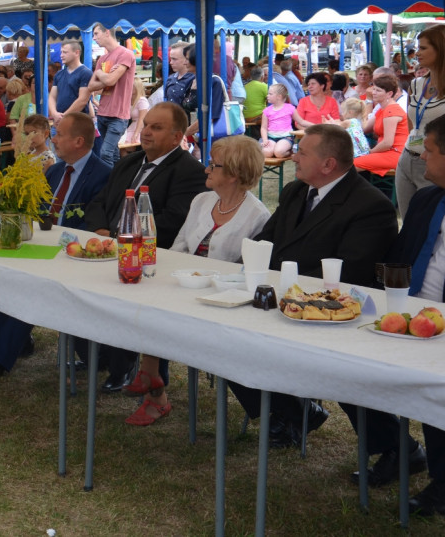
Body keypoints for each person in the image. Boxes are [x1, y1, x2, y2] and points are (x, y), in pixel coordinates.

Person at [229, 124, 399, 448]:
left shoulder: (370, 206)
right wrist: (245, 274)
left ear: (328, 164)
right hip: (280, 300)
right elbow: (268, 242)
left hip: (331, 313)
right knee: (221, 335)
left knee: (344, 372)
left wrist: (287, 294)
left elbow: (350, 274)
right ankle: (291, 411)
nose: (293, 156)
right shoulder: (296, 191)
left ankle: (394, 448)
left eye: (302, 152)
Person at [124, 136, 269, 426]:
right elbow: (179, 247)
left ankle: (153, 385)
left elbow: (245, 269)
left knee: (161, 308)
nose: (206, 170)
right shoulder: (202, 201)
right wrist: (171, 275)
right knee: (144, 299)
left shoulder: (257, 215)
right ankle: (152, 380)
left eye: (213, 165)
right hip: (185, 284)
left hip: (219, 297)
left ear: (234, 174)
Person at [0, 113, 111, 385]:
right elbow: (37, 210)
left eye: (59, 134)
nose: (54, 139)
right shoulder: (57, 170)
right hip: (39, 247)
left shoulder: (104, 175)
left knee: (31, 290)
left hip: (73, 256)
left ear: (79, 141)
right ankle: (15, 341)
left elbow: (93, 224)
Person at [81, 103, 207, 391]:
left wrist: (116, 237)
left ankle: (124, 368)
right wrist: (105, 235)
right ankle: (97, 357)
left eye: (156, 127)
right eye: (146, 124)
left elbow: (172, 221)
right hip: (108, 251)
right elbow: (99, 203)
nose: (146, 131)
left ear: (177, 137)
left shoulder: (189, 171)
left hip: (150, 262)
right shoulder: (128, 162)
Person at [384, 114, 445, 515]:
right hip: (410, 319)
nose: (422, 157)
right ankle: (408, 456)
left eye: (432, 151)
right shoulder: (427, 198)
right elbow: (401, 257)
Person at [397, 24, 445, 218]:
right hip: (407, 158)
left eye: (424, 48)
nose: (417, 53)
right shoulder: (416, 84)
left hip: (436, 165)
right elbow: (412, 122)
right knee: (409, 224)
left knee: (431, 227)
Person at [87, 24, 136, 168]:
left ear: (107, 32)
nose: (94, 38)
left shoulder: (125, 54)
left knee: (105, 153)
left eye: (96, 34)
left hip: (118, 115)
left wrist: (99, 74)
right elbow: (91, 86)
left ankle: (109, 185)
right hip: (103, 113)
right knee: (113, 154)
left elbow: (110, 80)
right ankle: (118, 184)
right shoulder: (102, 58)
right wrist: (104, 76)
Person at [354, 74, 407, 176]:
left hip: (395, 154)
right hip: (387, 152)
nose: (373, 93)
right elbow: (364, 128)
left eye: (378, 90)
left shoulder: (391, 111)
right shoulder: (382, 109)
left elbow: (387, 143)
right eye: (373, 89)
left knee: (351, 164)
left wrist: (370, 152)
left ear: (389, 94)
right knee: (350, 161)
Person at [48, 41, 92, 126]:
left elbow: (82, 100)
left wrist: (64, 117)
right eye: (61, 52)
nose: (61, 55)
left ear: (77, 53)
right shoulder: (59, 74)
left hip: (77, 124)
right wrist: (54, 114)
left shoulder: (85, 73)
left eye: (65, 52)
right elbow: (52, 97)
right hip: (59, 123)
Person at [260, 84, 295, 158]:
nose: (267, 96)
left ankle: (289, 151)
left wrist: (312, 125)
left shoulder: (290, 108)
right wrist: (265, 139)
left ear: (279, 96)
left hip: (286, 137)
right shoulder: (266, 111)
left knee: (278, 152)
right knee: (266, 153)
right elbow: (263, 127)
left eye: (270, 94)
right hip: (271, 137)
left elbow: (300, 121)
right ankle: (276, 148)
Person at [120, 79, 149, 145]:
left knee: (126, 146)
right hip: (132, 126)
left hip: (140, 128)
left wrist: (136, 134)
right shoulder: (129, 100)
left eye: (131, 86)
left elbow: (142, 119)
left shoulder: (142, 100)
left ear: (137, 88)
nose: (128, 87)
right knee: (122, 147)